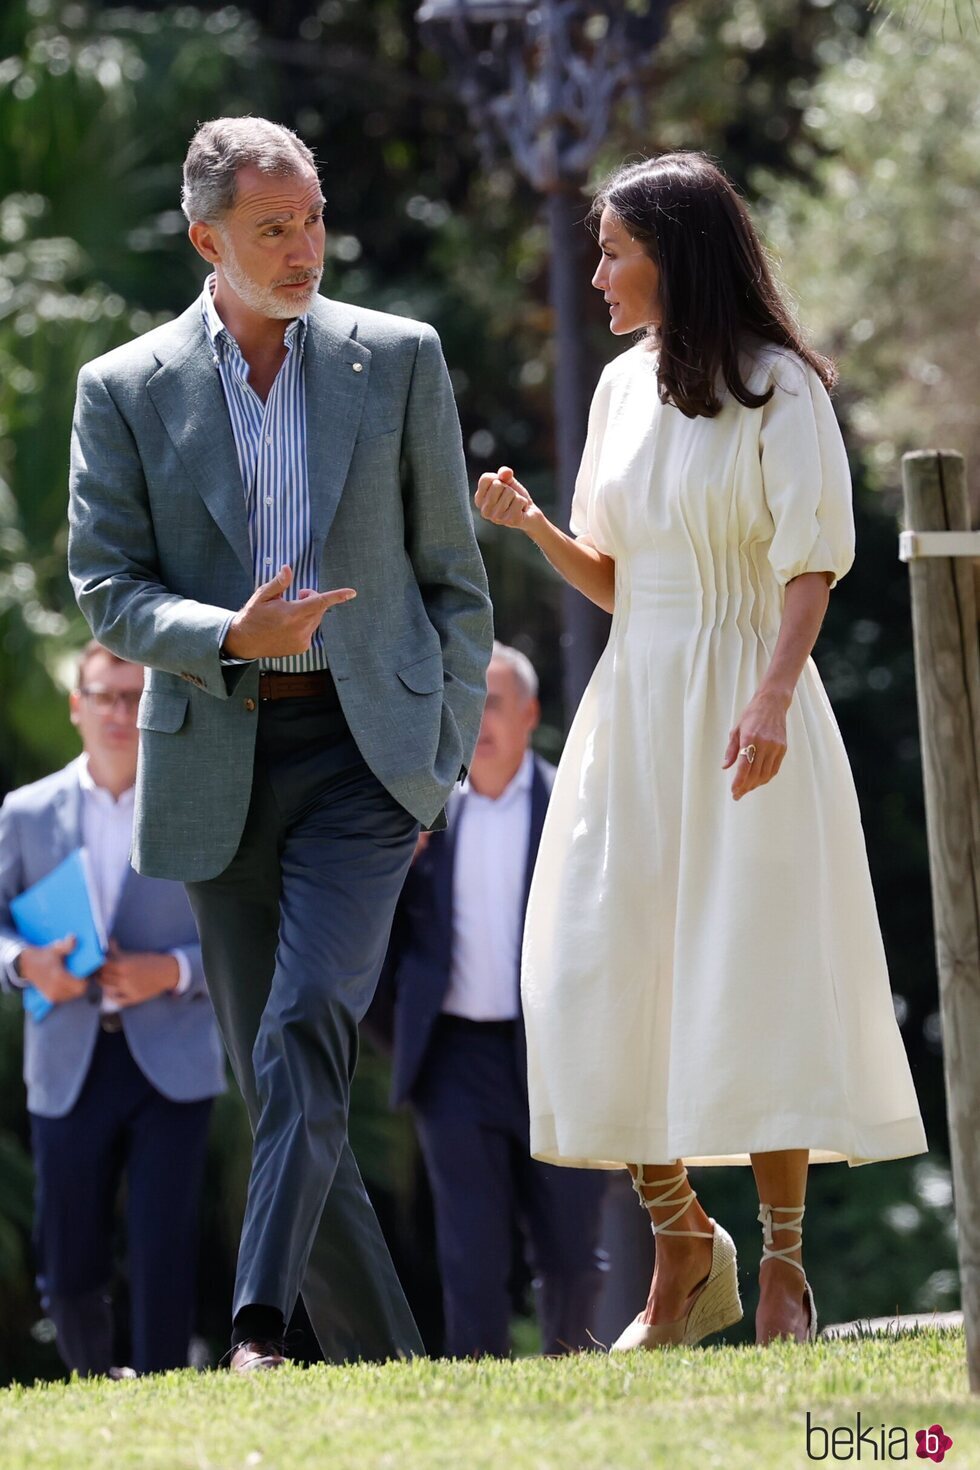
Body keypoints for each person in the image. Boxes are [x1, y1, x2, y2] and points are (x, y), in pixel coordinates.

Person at [475, 152, 926, 1350]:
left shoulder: (783, 390)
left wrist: (772, 697)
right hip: (636, 705)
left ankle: (781, 1274)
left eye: (615, 249)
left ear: (673, 254)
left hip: (746, 704)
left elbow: (809, 562)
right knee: (587, 966)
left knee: (754, 975)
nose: (598, 272)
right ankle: (683, 1235)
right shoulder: (620, 391)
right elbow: (620, 580)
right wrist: (534, 532)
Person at [67, 117, 492, 1373]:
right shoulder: (124, 389)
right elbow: (106, 588)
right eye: (273, 228)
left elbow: (455, 586)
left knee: (306, 1024)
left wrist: (441, 756)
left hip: (368, 757)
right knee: (280, 1087)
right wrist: (228, 634)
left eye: (311, 219)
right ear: (209, 239)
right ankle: (396, 1378)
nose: (304, 247)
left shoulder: (398, 359)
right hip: (217, 756)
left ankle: (257, 1330)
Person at [0, 642, 225, 1377]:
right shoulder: (26, 811)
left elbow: (242, 935)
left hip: (174, 1056)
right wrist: (23, 964)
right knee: (67, 1258)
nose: (120, 713)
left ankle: (160, 1387)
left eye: (134, 697)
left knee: (165, 1243)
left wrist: (174, 969)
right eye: (104, 696)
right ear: (77, 706)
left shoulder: (195, 802)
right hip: (68, 1053)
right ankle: (90, 1383)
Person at [377, 643, 606, 1357]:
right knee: (469, 1251)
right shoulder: (421, 818)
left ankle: (575, 1377)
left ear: (531, 715)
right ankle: (477, 1386)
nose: (480, 720)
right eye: (467, 703)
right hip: (454, 1059)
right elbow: (373, 945)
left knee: (570, 1250)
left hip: (559, 1056)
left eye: (496, 702)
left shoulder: (580, 809)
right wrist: (408, 1041)